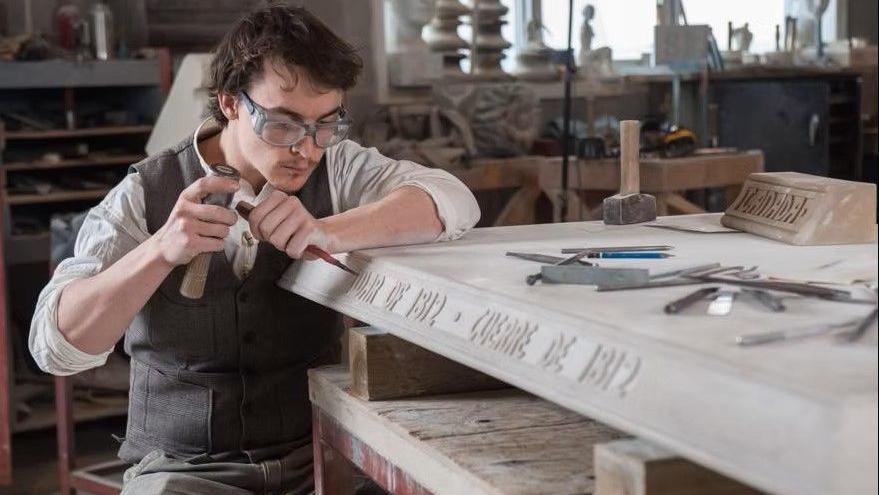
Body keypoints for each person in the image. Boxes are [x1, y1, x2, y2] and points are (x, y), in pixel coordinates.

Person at [29, 5, 480, 494]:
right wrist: (159, 250)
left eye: (325, 125)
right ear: (229, 103)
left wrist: (329, 231)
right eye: (283, 125)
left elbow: (453, 200)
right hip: (184, 472)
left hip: (320, 457)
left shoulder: (336, 166)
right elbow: (55, 347)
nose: (306, 149)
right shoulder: (145, 193)